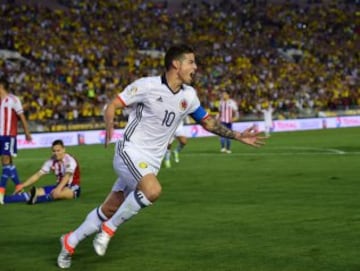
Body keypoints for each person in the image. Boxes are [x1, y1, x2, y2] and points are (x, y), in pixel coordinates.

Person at [57, 44, 266, 269]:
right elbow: (114, 104)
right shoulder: (147, 86)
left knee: (110, 208)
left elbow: (207, 121)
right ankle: (109, 230)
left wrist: (237, 135)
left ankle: (70, 241)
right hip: (129, 150)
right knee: (153, 190)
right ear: (176, 64)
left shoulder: (189, 95)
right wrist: (109, 123)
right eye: (191, 62)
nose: (195, 67)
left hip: (151, 162)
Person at [4, 139, 81, 204]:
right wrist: (22, 186)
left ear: (64, 149)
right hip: (58, 186)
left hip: (72, 187)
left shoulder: (70, 160)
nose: (56, 153)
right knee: (32, 193)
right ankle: (4, 199)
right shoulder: (51, 160)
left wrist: (58, 189)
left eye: (58, 150)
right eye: (54, 151)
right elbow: (38, 174)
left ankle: (36, 199)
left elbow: (67, 176)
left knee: (56, 194)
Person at [0, 75, 32, 205]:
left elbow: (22, 117)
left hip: (9, 135)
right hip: (0, 135)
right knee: (7, 164)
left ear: (1, 86)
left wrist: (27, 132)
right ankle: (19, 186)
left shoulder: (13, 99)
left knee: (5, 160)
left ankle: (0, 192)